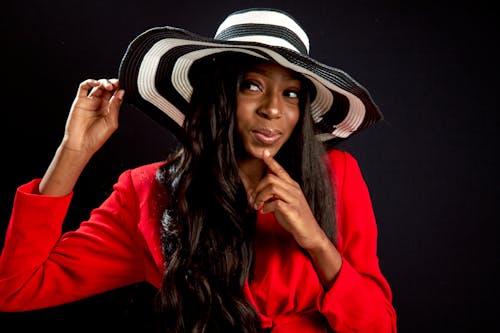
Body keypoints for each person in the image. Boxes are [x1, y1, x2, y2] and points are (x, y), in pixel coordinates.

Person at [0, 7, 397, 333]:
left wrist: (316, 241)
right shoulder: (146, 193)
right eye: (252, 86)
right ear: (217, 94)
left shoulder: (338, 176)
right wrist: (73, 151)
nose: (273, 109)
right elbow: (16, 287)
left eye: (291, 93)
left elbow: (380, 326)